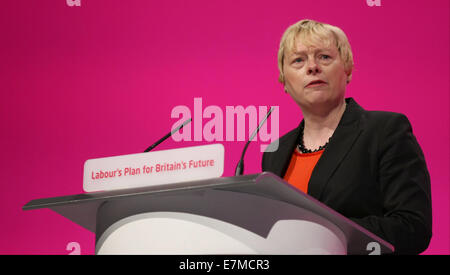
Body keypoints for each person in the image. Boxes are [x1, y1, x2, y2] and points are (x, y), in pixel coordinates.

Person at [262, 19, 432, 254]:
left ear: (347, 70)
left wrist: (326, 234)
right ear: (284, 80)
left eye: (324, 57)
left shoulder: (385, 131)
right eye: (298, 60)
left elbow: (413, 227)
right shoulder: (275, 151)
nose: (312, 67)